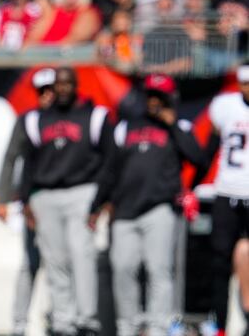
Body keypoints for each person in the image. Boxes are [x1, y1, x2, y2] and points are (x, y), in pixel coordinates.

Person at [89, 74, 207, 336]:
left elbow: (199, 159)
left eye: (160, 96)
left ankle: (158, 327)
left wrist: (172, 124)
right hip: (125, 211)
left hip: (160, 209)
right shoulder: (124, 127)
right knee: (123, 268)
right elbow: (110, 170)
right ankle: (127, 326)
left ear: (169, 99)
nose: (154, 101)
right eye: (151, 95)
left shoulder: (180, 128)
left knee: (159, 270)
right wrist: (97, 205)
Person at [20, 67, 111, 336]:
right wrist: (26, 200)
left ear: (75, 86)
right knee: (55, 260)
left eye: (67, 84)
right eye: (58, 84)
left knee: (81, 255)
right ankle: (63, 322)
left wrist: (100, 200)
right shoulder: (37, 119)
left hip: (81, 192)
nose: (62, 89)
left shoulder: (93, 117)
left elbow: (110, 160)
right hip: (46, 195)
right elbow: (28, 162)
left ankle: (87, 320)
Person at [0, 67, 55, 336]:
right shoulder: (29, 120)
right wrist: (4, 198)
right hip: (34, 201)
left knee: (59, 265)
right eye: (42, 91)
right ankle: (19, 323)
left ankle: (57, 319)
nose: (47, 96)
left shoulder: (72, 119)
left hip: (60, 201)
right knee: (30, 263)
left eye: (50, 90)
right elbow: (11, 158)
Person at [206, 61, 249, 336]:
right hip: (227, 192)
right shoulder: (225, 106)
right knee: (220, 262)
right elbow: (209, 146)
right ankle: (220, 325)